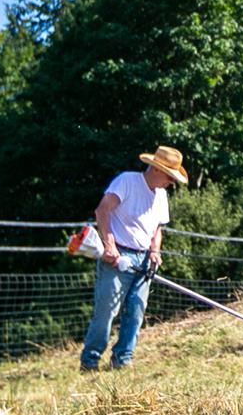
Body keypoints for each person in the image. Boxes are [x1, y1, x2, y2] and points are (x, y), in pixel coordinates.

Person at [80, 145, 189, 371]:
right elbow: (102, 211)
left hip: (144, 260)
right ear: (157, 169)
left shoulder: (161, 195)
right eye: (170, 176)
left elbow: (157, 229)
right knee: (107, 311)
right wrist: (109, 246)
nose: (171, 181)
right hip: (118, 256)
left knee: (136, 311)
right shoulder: (127, 181)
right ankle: (90, 362)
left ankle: (122, 360)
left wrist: (155, 251)